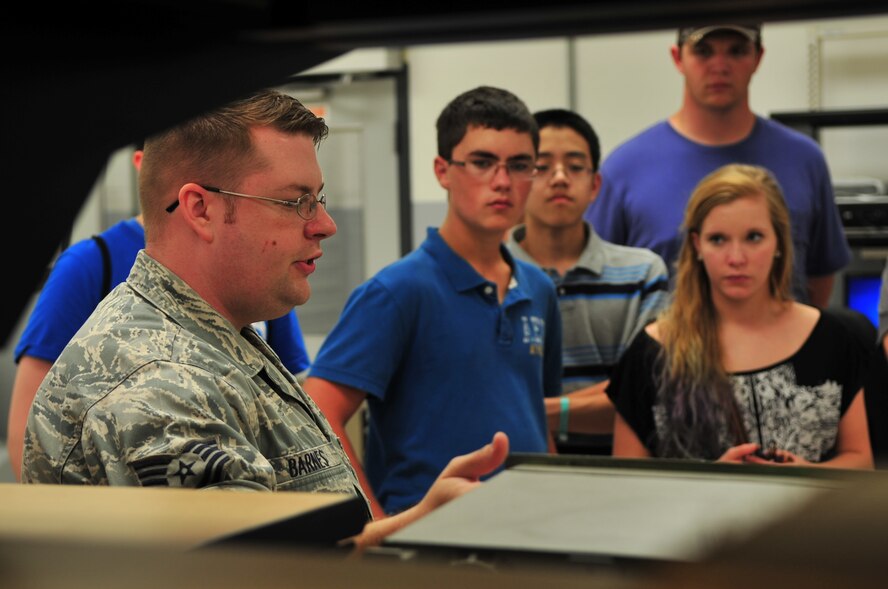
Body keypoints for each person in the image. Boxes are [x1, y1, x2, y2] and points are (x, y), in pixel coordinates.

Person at [22, 89, 511, 550]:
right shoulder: (161, 384)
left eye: (318, 199)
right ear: (200, 209)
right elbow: (264, 576)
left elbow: (309, 554)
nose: (324, 223)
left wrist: (418, 523)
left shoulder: (217, 333)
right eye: (295, 201)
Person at [304, 86, 562, 518]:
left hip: (529, 535)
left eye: (519, 166)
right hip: (430, 543)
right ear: (443, 170)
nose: (502, 182)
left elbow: (538, 419)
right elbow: (320, 412)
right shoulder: (398, 292)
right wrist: (378, 527)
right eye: (482, 163)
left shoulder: (539, 289)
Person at [7, 148, 311, 482]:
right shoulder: (89, 264)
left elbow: (293, 395)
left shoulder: (255, 277)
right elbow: (33, 427)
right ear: (143, 164)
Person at [607, 163, 873, 469]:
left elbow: (861, 459)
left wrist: (808, 475)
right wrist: (712, 481)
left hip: (813, 516)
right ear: (697, 246)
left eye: (754, 237)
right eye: (718, 239)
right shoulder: (652, 353)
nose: (736, 258)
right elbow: (629, 481)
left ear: (778, 242)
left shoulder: (833, 339)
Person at [586, 23, 850, 308]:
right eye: (703, 51)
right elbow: (599, 283)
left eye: (736, 51)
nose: (720, 66)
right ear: (678, 58)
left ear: (758, 57)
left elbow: (820, 277)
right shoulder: (625, 169)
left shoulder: (804, 160)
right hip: (666, 350)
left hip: (785, 350)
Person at [505, 108, 669, 454]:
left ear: (595, 185)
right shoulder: (489, 275)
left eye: (576, 166)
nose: (560, 177)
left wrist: (534, 410)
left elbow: (643, 397)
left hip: (618, 472)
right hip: (511, 475)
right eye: (541, 166)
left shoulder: (642, 274)